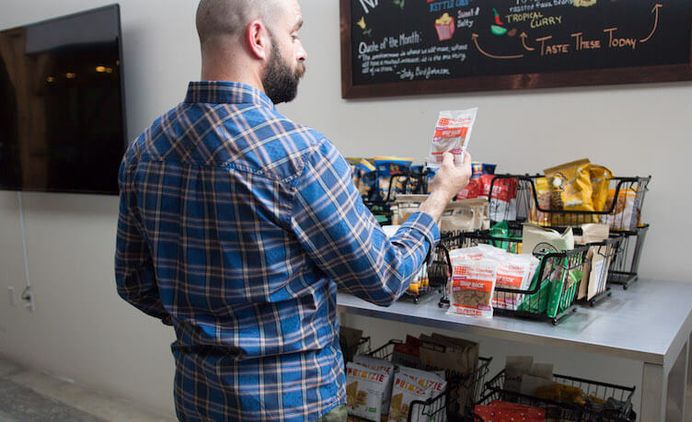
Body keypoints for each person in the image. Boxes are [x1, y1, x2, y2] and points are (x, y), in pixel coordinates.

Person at [114, 0, 472, 420]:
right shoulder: (300, 154)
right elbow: (386, 277)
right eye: (295, 33)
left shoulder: (145, 150)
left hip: (199, 397)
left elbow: (134, 283)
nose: (302, 51)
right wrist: (440, 196)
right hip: (294, 403)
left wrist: (209, 326)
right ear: (258, 38)